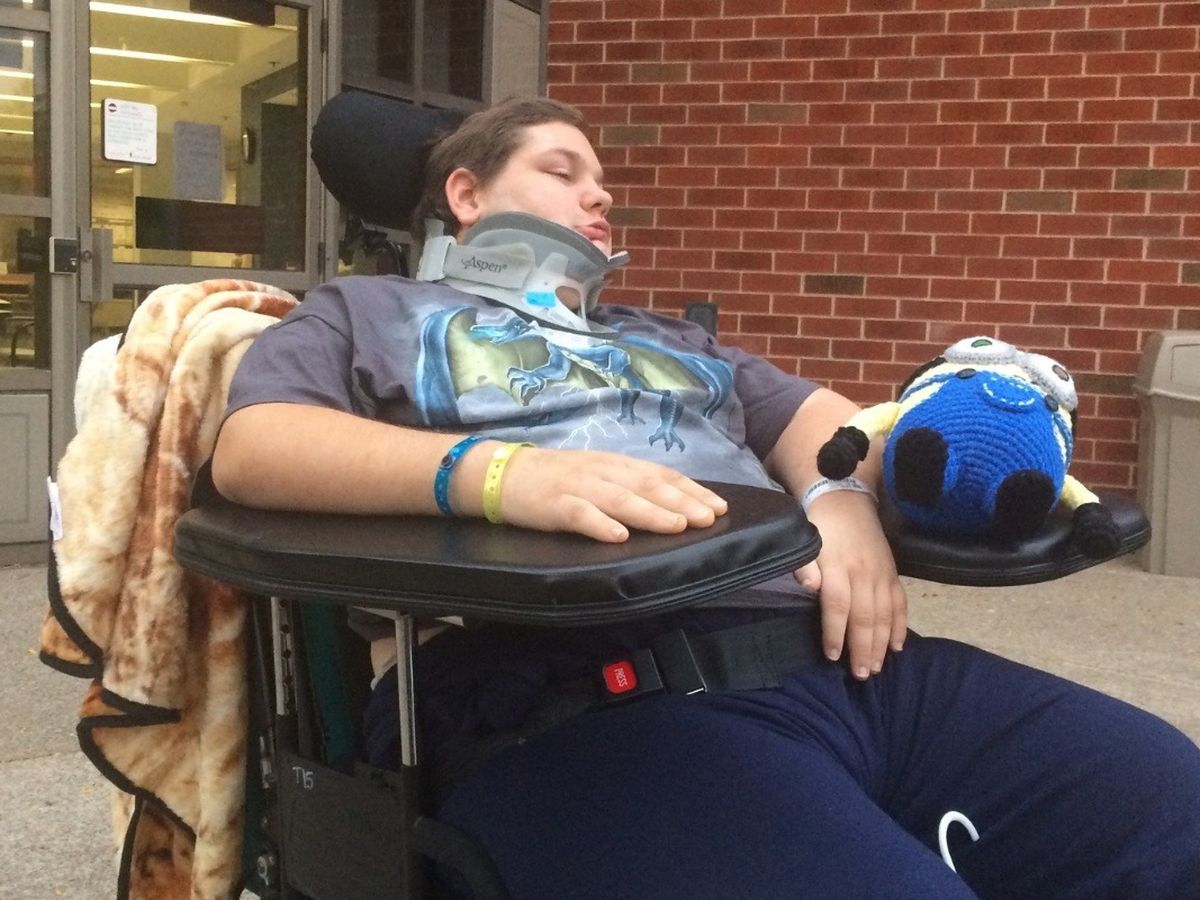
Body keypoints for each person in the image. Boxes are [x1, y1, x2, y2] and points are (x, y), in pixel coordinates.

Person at [212, 98, 1200, 899]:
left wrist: (839, 500)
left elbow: (829, 423)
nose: (599, 194)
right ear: (467, 194)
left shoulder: (666, 339)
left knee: (1175, 811)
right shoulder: (370, 312)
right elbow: (255, 448)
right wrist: (504, 475)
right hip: (578, 697)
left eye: (603, 180)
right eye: (562, 170)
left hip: (837, 662)